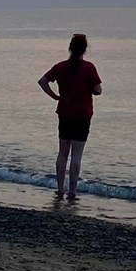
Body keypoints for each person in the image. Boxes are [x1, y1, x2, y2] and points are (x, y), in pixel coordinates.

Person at [38, 33, 103, 201]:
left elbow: (43, 81)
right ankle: (72, 192)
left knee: (63, 153)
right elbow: (98, 90)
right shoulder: (89, 68)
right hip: (82, 115)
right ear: (85, 49)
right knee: (76, 155)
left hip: (64, 113)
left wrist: (55, 96)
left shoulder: (61, 67)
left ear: (70, 48)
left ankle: (60, 189)